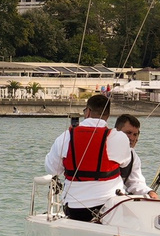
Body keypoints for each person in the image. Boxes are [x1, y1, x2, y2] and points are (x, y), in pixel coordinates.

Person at [45, 93, 137, 221]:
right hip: (109, 208)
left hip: (74, 209)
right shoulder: (119, 137)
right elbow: (125, 162)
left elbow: (52, 169)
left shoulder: (65, 137)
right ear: (108, 115)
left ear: (88, 112)